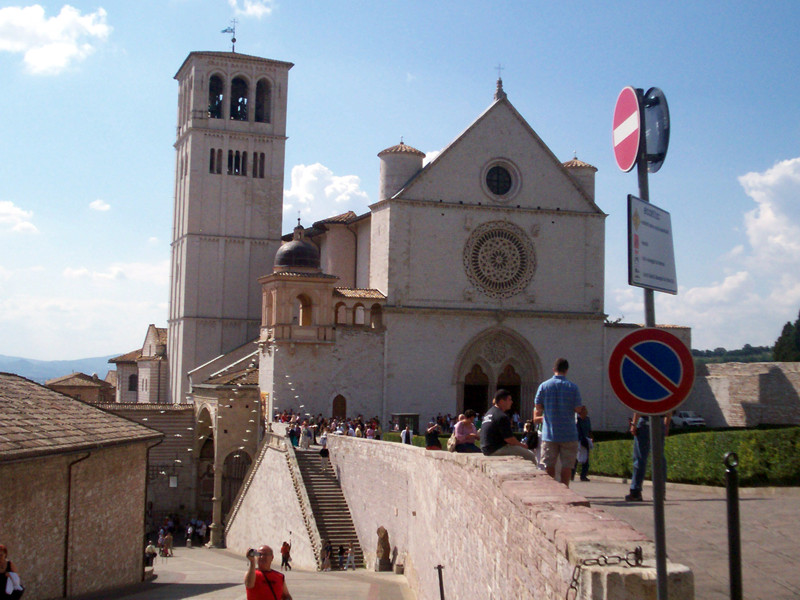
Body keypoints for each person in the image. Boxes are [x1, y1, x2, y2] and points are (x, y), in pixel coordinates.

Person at [533, 358, 586, 488]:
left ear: (553, 369)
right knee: (567, 466)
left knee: (549, 465)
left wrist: (549, 407)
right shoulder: (573, 387)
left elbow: (538, 406)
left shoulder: (544, 386)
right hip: (569, 434)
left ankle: (552, 490)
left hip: (550, 434)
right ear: (566, 370)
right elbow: (578, 409)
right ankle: (565, 489)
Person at [480, 389, 536, 461]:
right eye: (509, 400)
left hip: (486, 448)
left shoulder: (489, 412)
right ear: (501, 401)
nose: (511, 402)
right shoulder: (501, 416)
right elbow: (509, 439)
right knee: (531, 456)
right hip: (496, 449)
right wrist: (523, 446)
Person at [626, 412, 670, 501]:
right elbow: (670, 408)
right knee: (659, 457)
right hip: (659, 421)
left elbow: (639, 405)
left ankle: (635, 492)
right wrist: (666, 425)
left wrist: (634, 423)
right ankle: (660, 492)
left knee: (640, 458)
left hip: (644, 421)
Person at [574, 408, 593, 482]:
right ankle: (571, 475)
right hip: (578, 440)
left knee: (586, 460)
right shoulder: (577, 420)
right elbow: (577, 430)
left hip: (586, 440)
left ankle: (583, 476)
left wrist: (590, 437)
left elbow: (589, 430)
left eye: (586, 412)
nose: (585, 414)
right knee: (575, 459)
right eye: (583, 412)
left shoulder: (587, 420)